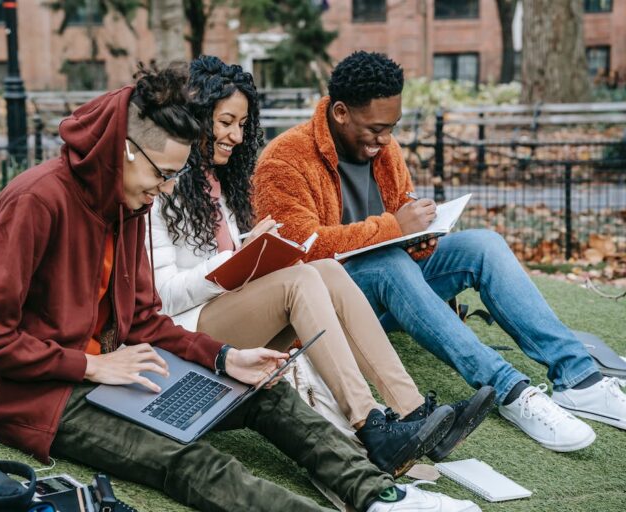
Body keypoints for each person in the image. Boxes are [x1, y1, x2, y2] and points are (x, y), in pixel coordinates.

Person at [0, 63, 480, 512]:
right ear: (127, 150)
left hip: (122, 365)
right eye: (161, 176)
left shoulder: (127, 202)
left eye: (172, 179)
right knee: (184, 459)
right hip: (41, 394)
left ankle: (381, 497)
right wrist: (92, 365)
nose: (162, 192)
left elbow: (143, 320)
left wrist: (224, 357)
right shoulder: (34, 203)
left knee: (263, 392)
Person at [253, 51, 626, 452]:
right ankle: (511, 391)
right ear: (341, 112)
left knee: (483, 244)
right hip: (332, 302)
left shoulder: (385, 147)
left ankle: (578, 379)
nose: (384, 140)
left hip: (394, 281)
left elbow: (401, 208)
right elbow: (296, 252)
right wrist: (394, 229)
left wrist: (420, 235)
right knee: (386, 262)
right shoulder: (284, 159)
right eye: (376, 129)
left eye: (392, 128)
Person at [148, 55, 494, 478]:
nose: (236, 136)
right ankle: (370, 425)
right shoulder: (157, 184)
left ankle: (411, 412)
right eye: (225, 123)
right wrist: (239, 258)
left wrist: (253, 251)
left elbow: (229, 258)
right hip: (185, 331)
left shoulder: (222, 182)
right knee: (300, 280)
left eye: (241, 125)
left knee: (326, 271)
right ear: (196, 116)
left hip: (228, 309)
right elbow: (162, 296)